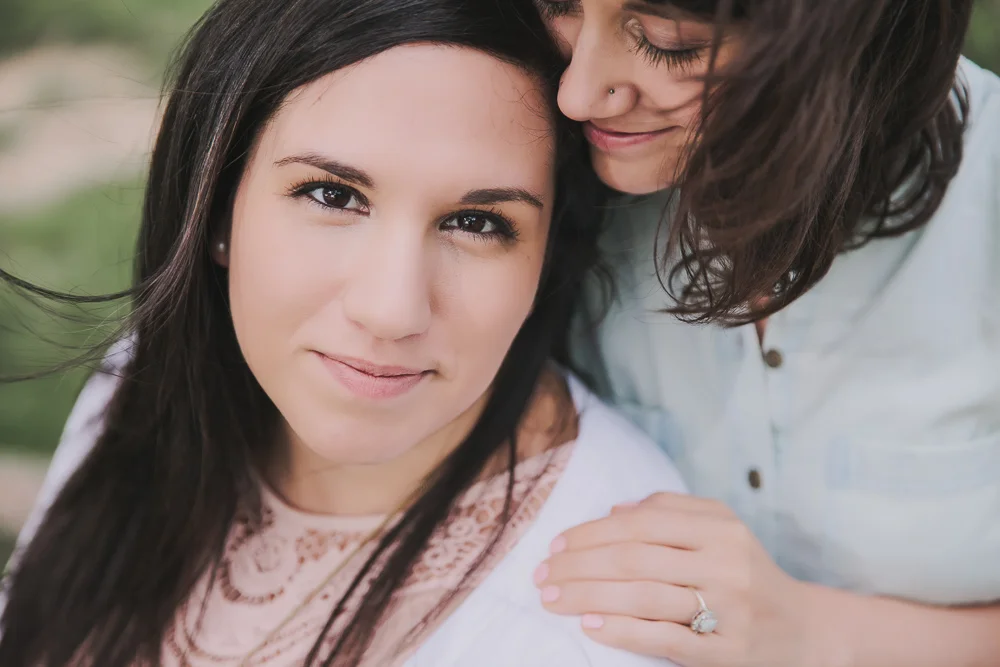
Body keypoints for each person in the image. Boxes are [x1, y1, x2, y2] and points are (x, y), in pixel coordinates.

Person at [0, 0, 689, 665]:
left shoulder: (590, 619)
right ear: (216, 209)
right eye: (333, 195)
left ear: (545, 257)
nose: (392, 310)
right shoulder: (143, 380)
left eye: (476, 223)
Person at [528, 1, 1000, 666]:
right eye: (560, 7)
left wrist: (814, 633)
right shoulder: (552, 174)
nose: (577, 94)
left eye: (667, 40)